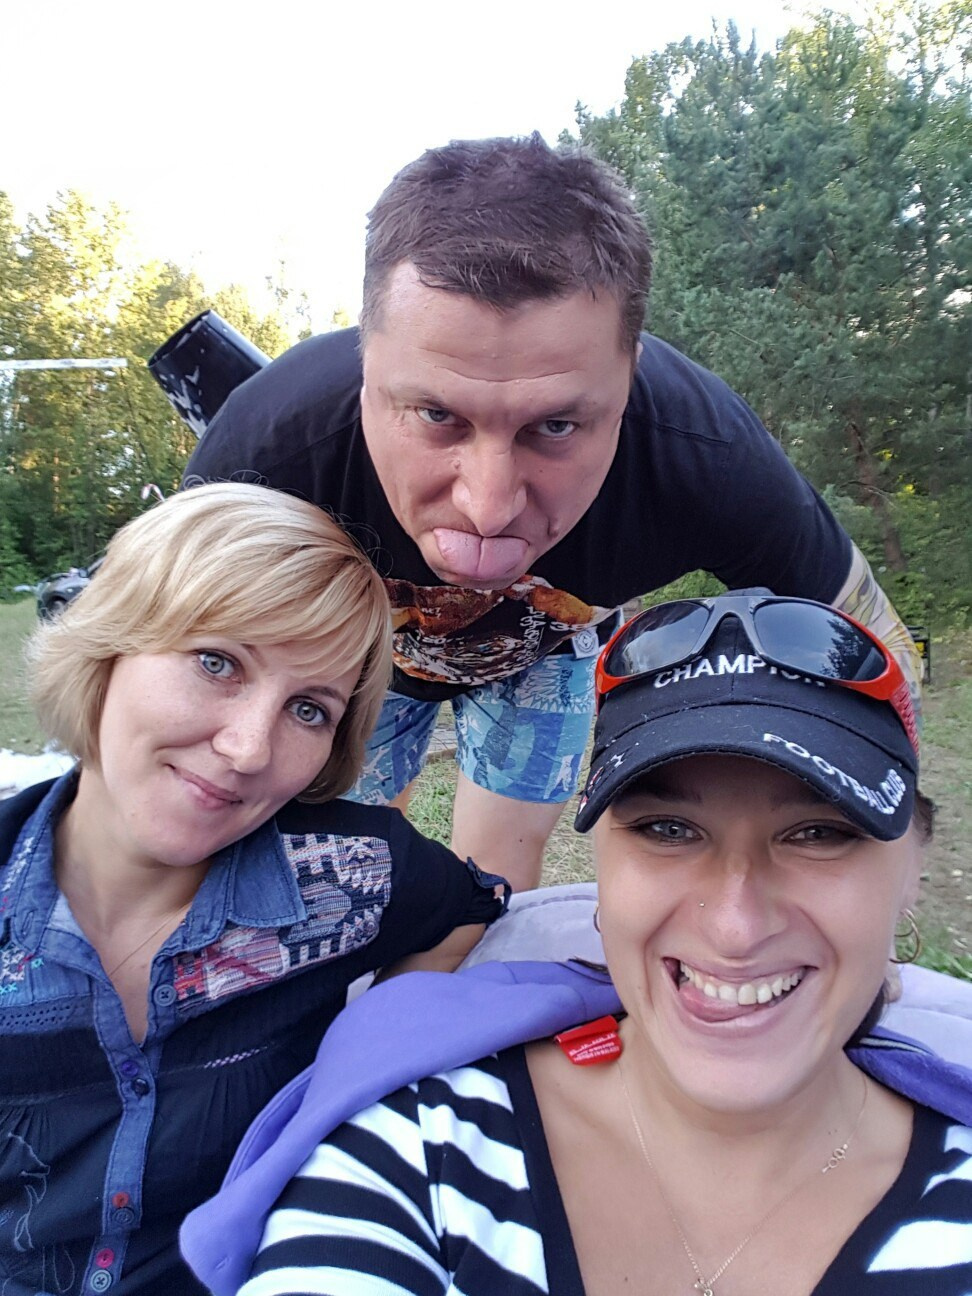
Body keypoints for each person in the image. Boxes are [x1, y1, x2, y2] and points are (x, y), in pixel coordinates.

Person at [181, 133, 922, 893]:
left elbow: (879, 648)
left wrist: (882, 880)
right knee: (339, 864)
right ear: (366, 363)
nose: (488, 507)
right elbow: (147, 661)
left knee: (493, 888)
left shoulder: (705, 455)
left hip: (545, 655)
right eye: (436, 415)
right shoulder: (270, 447)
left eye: (557, 426)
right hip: (362, 657)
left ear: (628, 377)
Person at [216, 594, 972, 1294]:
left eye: (818, 834)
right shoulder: (425, 1150)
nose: (735, 927)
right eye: (668, 829)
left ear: (914, 868)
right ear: (601, 866)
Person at [0, 483, 506, 1295]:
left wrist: (364, 1060)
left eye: (308, 709)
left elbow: (468, 909)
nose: (248, 749)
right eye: (217, 663)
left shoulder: (351, 874)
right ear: (110, 642)